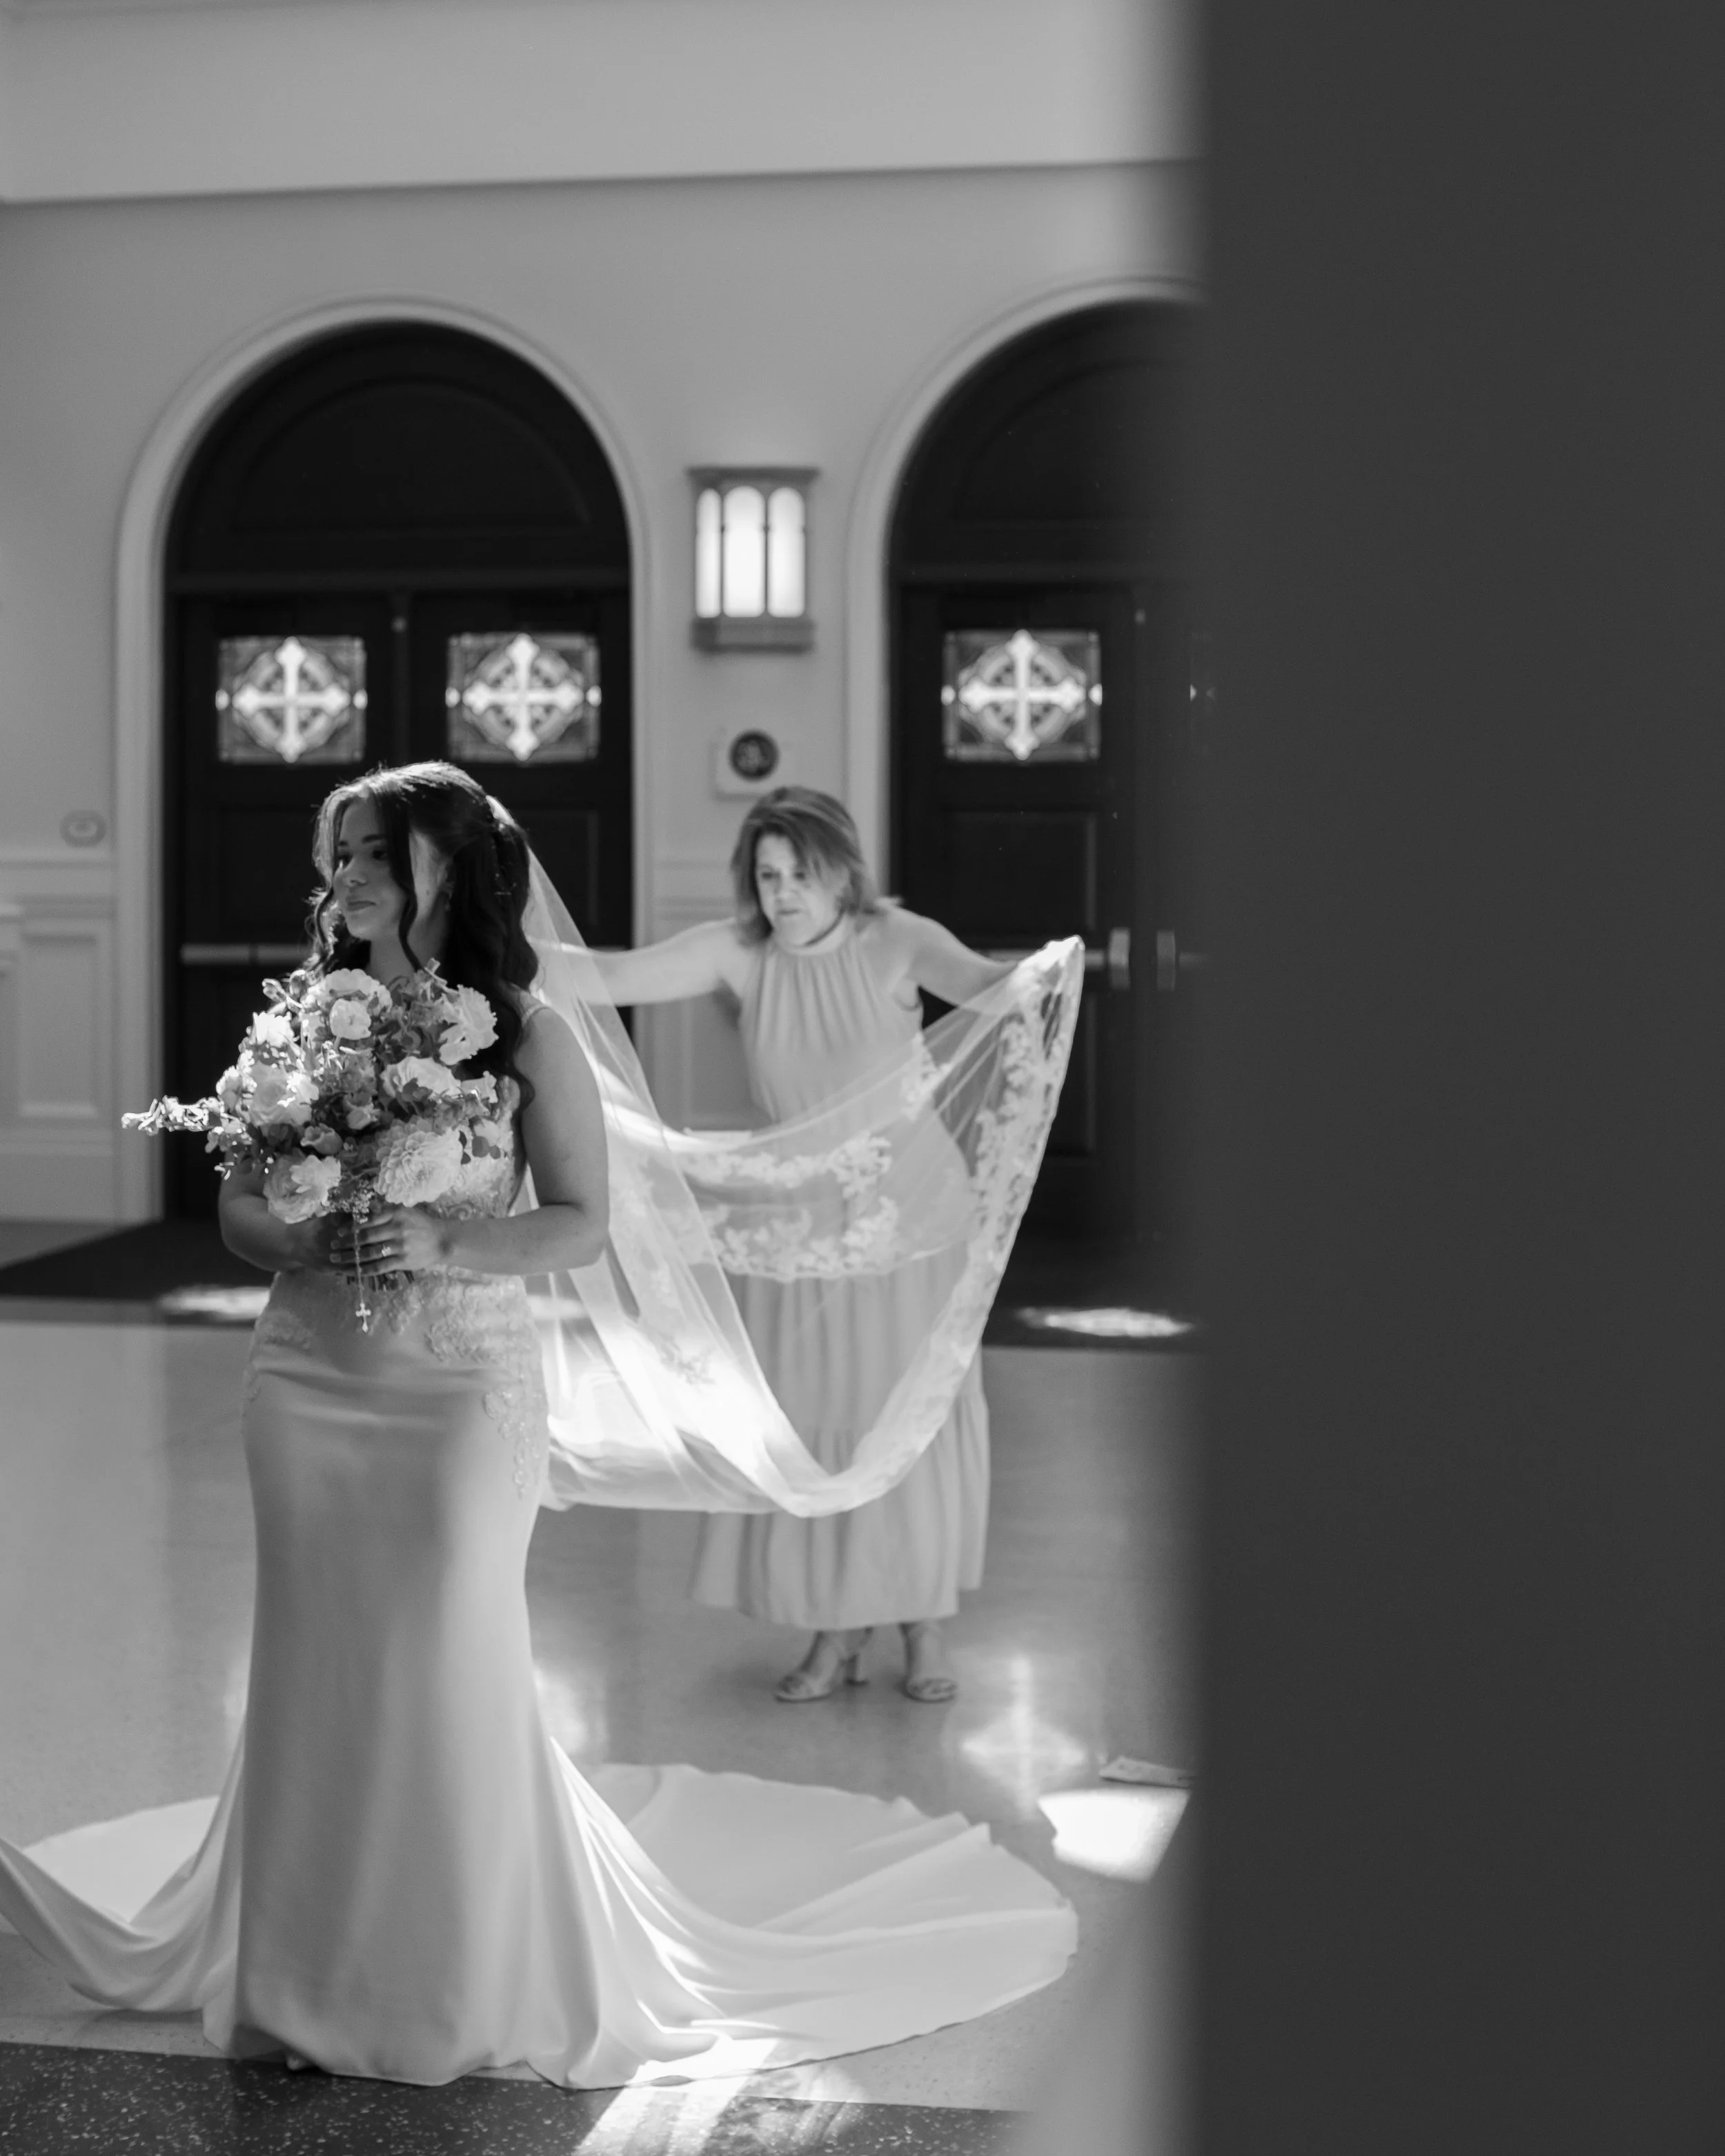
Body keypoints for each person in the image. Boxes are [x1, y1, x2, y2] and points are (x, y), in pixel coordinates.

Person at [0, 762, 1076, 2088]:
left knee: (444, 1656)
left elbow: (583, 1221)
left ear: (443, 874)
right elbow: (237, 1211)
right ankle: (296, 1980)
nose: (345, 881)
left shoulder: (527, 1035)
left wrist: (445, 1230)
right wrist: (308, 1234)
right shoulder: (299, 1025)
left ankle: (445, 1981)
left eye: (376, 858)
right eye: (337, 855)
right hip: (306, 1381)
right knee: (313, 1663)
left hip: (458, 1387)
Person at [591, 787, 1013, 1705]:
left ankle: (922, 1625)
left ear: (842, 872)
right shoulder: (739, 955)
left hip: (912, 1222)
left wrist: (1062, 966)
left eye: (801, 875)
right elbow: (609, 978)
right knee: (820, 1423)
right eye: (766, 875)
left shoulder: (897, 938)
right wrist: (470, 934)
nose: (782, 894)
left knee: (908, 1419)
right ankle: (835, 1626)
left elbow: (988, 985)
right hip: (796, 1229)